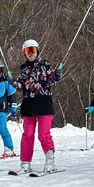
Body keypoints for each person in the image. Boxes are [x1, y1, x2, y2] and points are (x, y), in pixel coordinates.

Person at [16, 39, 62, 173]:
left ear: (38, 51)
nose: (30, 53)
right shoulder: (23, 68)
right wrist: (13, 83)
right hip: (28, 103)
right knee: (28, 134)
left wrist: (57, 76)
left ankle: (50, 162)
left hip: (44, 102)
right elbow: (21, 86)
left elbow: (52, 81)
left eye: (33, 50)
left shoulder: (45, 64)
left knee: (43, 134)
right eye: (27, 51)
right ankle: (25, 163)